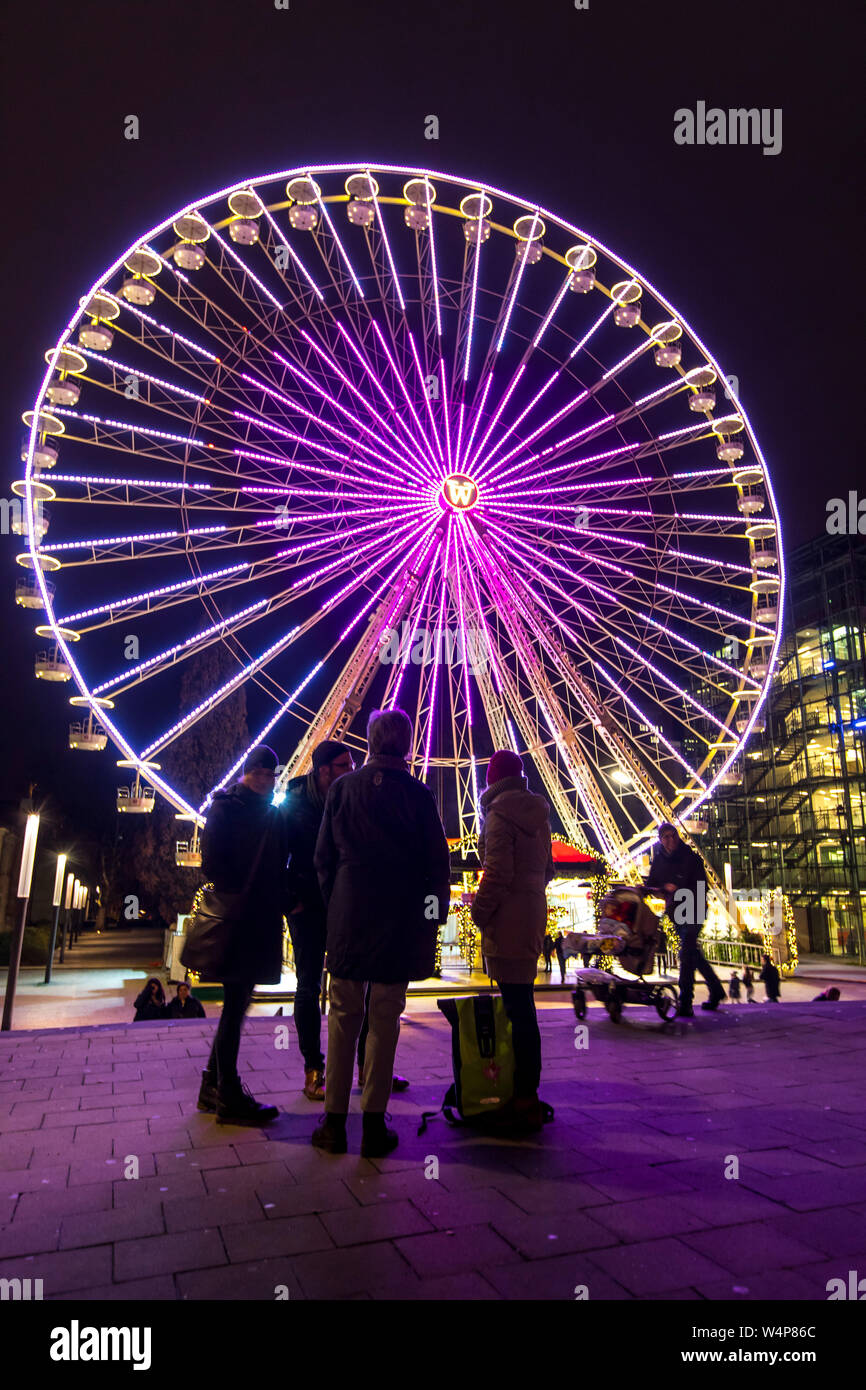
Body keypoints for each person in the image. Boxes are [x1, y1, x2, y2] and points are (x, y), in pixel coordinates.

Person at [312, 708, 450, 1157]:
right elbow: (436, 868)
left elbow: (323, 859)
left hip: (350, 915)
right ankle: (373, 1124)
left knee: (342, 1017)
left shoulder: (342, 789)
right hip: (398, 917)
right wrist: (430, 919)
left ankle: (333, 1122)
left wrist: (337, 903)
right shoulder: (418, 794)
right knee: (385, 1020)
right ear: (407, 745)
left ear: (369, 742)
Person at [196, 745, 289, 1125]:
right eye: (263, 774)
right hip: (240, 919)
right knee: (235, 1006)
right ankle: (227, 1093)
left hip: (253, 918)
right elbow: (213, 864)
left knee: (236, 1004)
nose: (268, 781)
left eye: (272, 775)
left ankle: (212, 1086)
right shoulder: (227, 809)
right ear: (247, 773)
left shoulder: (266, 813)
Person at [471, 749, 555, 1133]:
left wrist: (479, 911)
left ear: (492, 777)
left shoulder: (498, 815)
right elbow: (548, 869)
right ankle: (526, 1091)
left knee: (517, 1008)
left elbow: (497, 871)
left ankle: (522, 1095)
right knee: (524, 1007)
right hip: (532, 915)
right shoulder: (539, 814)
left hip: (507, 919)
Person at [283, 740, 355, 1100]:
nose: (352, 770)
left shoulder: (349, 799)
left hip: (343, 904)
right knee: (308, 985)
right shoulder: (293, 804)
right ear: (324, 769)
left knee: (355, 982)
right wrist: (290, 900)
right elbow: (276, 857)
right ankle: (313, 1066)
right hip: (307, 906)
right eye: (344, 765)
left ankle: (365, 1065)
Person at [644, 822, 725, 1017]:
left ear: (678, 836)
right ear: (660, 840)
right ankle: (716, 989)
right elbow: (652, 884)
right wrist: (655, 889)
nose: (670, 840)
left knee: (686, 953)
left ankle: (685, 1000)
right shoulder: (659, 860)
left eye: (673, 836)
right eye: (666, 837)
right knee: (691, 953)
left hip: (694, 907)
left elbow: (700, 885)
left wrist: (678, 888)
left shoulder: (691, 857)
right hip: (676, 912)